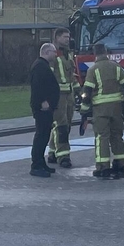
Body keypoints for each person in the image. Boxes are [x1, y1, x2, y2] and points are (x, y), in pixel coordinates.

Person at [79, 43, 124, 179]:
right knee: (117, 136)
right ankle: (122, 163)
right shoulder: (117, 67)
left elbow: (87, 91)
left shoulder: (93, 70)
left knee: (102, 137)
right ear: (106, 52)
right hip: (116, 108)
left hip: (100, 110)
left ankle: (103, 167)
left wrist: (84, 110)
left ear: (95, 54)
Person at [46, 27, 80, 168]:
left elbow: (71, 75)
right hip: (58, 96)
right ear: (57, 38)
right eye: (65, 37)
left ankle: (53, 152)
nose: (68, 39)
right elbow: (48, 77)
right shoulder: (53, 55)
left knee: (65, 125)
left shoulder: (68, 54)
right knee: (62, 126)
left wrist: (78, 91)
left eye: (68, 36)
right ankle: (64, 156)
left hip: (69, 95)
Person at [29, 43, 60, 177]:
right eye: (54, 52)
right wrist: (43, 101)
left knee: (44, 135)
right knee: (41, 136)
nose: (56, 54)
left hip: (46, 107)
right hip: (42, 108)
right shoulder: (40, 67)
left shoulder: (43, 66)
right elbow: (37, 86)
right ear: (47, 52)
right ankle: (36, 165)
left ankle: (41, 163)